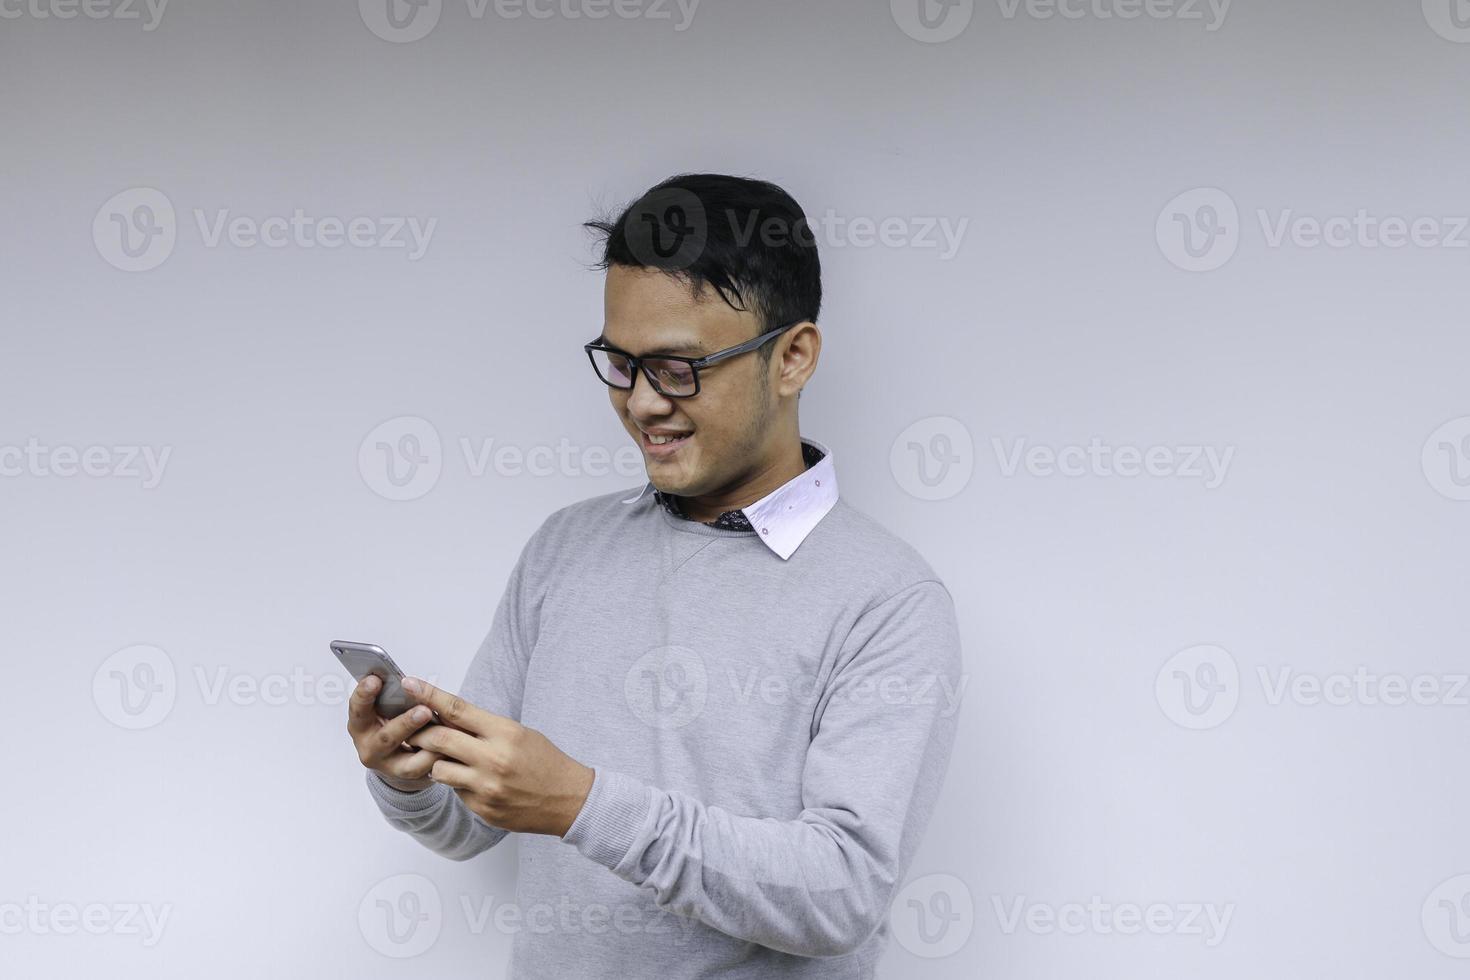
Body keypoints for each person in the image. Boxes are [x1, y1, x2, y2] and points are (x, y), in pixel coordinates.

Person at [347, 172, 964, 978]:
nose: (641, 404)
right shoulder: (564, 549)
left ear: (793, 357)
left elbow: (841, 894)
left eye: (678, 368)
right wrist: (408, 775)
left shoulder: (887, 602)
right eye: (621, 363)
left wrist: (579, 803)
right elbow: (470, 823)